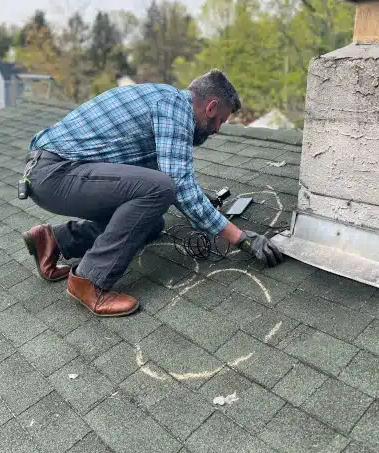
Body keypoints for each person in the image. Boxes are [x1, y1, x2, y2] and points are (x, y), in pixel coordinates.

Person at [21, 69, 284, 317]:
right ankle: (89, 281)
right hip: (57, 174)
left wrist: (200, 200)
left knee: (151, 221)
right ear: (211, 106)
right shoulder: (174, 107)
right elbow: (175, 184)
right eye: (218, 121)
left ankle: (55, 240)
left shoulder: (161, 99)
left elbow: (156, 178)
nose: (216, 130)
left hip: (53, 172)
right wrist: (241, 238)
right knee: (162, 188)